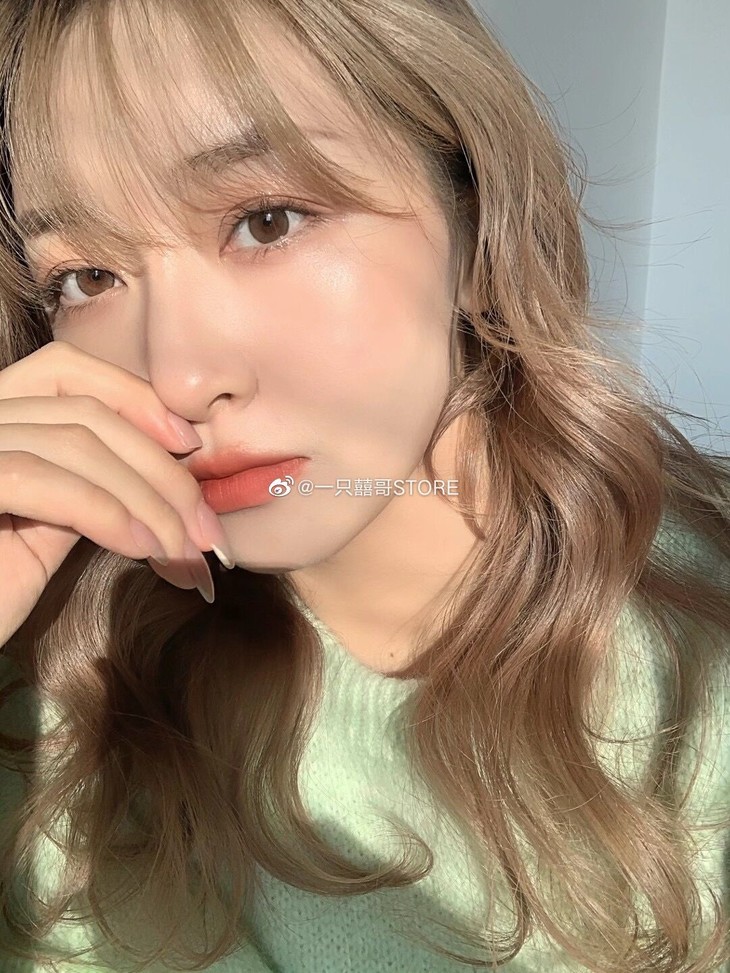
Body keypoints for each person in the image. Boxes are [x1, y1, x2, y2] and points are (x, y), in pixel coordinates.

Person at [0, 0, 728, 970]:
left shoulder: (698, 664)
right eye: (87, 278)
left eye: (267, 220)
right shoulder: (58, 684)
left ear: (476, 224)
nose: (177, 376)